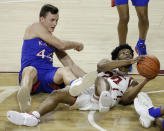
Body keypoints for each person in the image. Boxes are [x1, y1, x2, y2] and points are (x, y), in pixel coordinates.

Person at [7, 44, 153, 127]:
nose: (128, 54)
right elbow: (101, 65)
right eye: (124, 53)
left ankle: (103, 98)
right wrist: (129, 62)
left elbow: (126, 99)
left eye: (129, 53)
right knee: (56, 94)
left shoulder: (130, 80)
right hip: (90, 94)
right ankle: (33, 117)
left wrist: (146, 80)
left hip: (108, 98)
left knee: (100, 80)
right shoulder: (108, 65)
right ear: (116, 58)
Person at [17, 4, 86, 112]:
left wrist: (90, 80)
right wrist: (78, 44)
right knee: (29, 70)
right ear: (42, 19)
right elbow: (62, 45)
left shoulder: (53, 41)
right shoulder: (34, 27)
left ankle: (77, 87)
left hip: (48, 77)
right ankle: (24, 101)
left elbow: (71, 65)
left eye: (56, 20)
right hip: (32, 76)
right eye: (52, 20)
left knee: (66, 70)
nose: (55, 24)